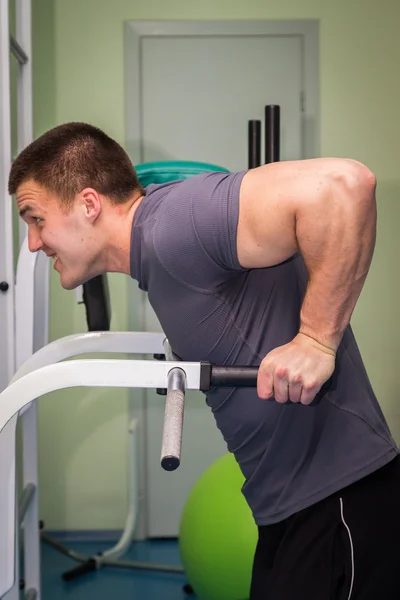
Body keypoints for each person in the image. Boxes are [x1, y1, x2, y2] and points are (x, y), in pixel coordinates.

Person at [9, 122, 400, 599]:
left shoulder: (173, 225)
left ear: (88, 204)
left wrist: (316, 341)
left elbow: (346, 185)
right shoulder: (155, 250)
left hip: (339, 499)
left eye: (35, 219)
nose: (33, 243)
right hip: (288, 506)